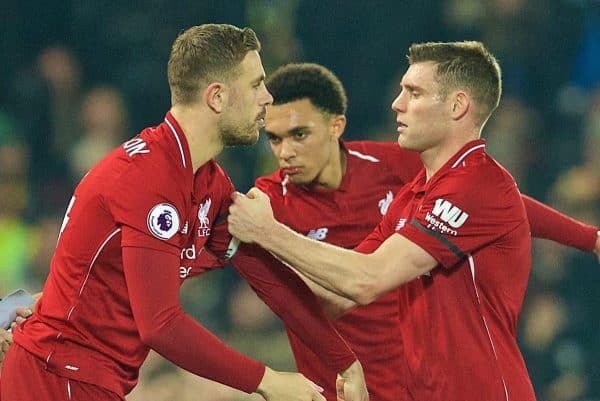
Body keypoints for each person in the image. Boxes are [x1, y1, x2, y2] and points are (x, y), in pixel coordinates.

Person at [0, 24, 367, 401]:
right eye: (257, 84)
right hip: (53, 378)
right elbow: (160, 325)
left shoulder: (207, 182)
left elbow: (269, 278)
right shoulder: (148, 179)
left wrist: (344, 361)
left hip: (87, 381)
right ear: (217, 97)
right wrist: (268, 381)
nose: (267, 98)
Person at [228, 41, 571, 401]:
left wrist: (268, 233)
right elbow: (336, 298)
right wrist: (244, 251)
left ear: (457, 106)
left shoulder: (477, 186)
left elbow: (366, 279)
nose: (397, 103)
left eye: (414, 92)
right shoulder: (412, 196)